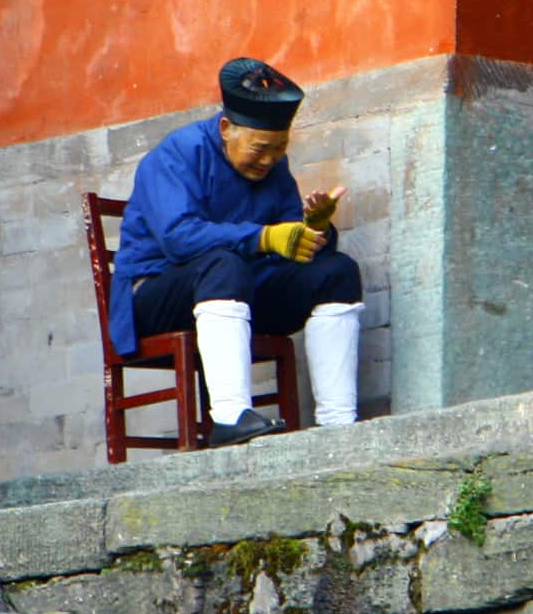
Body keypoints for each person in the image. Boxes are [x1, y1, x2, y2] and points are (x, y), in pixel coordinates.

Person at [109, 57, 363, 446]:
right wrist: (264, 238)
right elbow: (179, 239)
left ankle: (338, 425)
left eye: (279, 150)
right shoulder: (175, 155)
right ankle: (229, 418)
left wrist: (314, 229)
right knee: (224, 264)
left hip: (240, 285)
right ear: (226, 128)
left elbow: (288, 246)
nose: (269, 160)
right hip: (156, 294)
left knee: (337, 272)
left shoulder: (274, 169)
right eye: (261, 148)